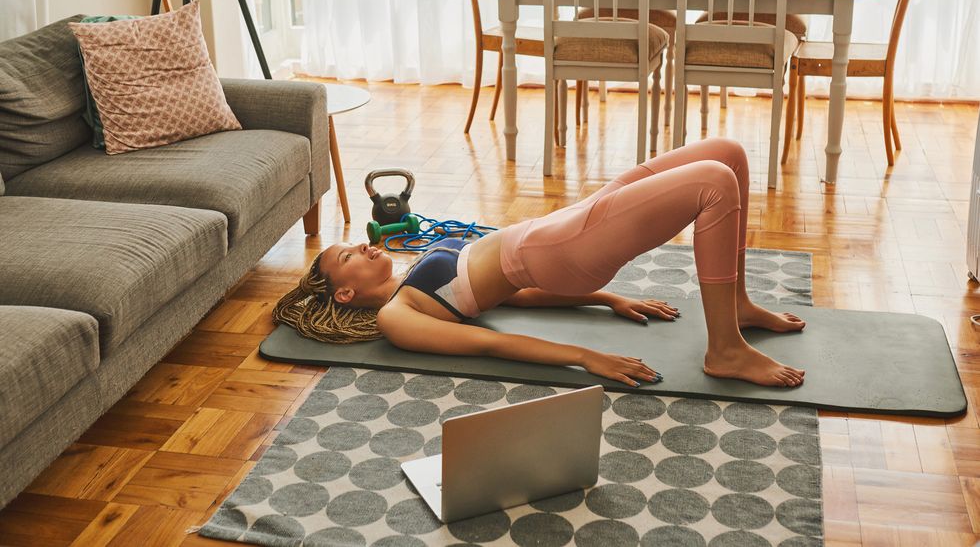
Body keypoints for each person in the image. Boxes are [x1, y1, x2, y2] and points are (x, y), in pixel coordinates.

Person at [275, 138, 805, 388]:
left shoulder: (412, 282)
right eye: (349, 255)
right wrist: (585, 356)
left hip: (560, 228)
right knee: (714, 183)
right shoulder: (397, 317)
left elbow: (516, 296)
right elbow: (490, 343)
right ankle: (725, 350)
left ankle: (736, 305)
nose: (366, 247)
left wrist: (607, 299)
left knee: (729, 154)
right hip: (562, 249)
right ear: (343, 292)